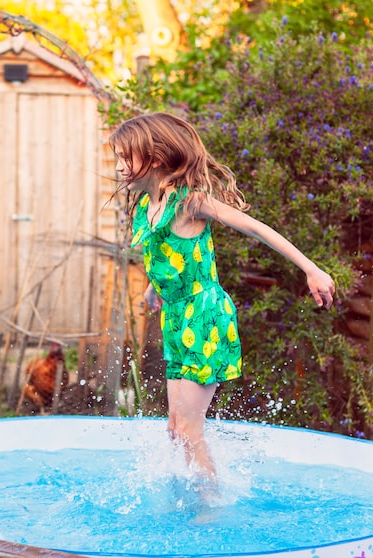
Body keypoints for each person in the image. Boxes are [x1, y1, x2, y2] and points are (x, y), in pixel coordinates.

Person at [109, 112, 336, 489]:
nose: (118, 167)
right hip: (177, 318)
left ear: (157, 156)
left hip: (204, 316)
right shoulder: (149, 209)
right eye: (117, 157)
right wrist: (155, 290)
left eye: (125, 157)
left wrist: (310, 268)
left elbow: (255, 227)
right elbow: (166, 254)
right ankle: (191, 494)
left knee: (188, 429)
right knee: (173, 429)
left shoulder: (190, 202)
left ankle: (212, 508)